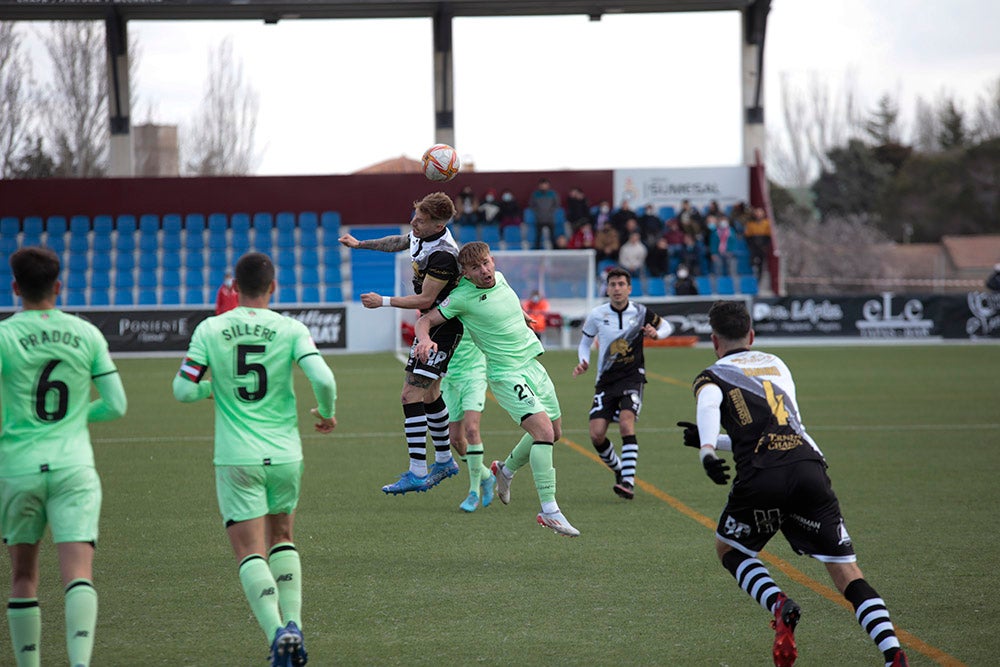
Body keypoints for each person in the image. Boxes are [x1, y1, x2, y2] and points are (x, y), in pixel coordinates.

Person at [679, 300, 909, 667]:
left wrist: (708, 449)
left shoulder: (712, 374)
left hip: (763, 475)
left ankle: (779, 603)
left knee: (730, 549)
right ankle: (893, 654)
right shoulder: (778, 364)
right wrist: (722, 441)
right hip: (808, 467)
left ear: (714, 340)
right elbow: (780, 426)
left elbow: (708, 406)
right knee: (846, 571)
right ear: (751, 335)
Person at [172, 252, 337, 667]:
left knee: (250, 551)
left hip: (236, 457)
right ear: (273, 286)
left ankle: (276, 633)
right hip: (284, 454)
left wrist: (216, 390)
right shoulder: (290, 327)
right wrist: (327, 412)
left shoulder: (211, 329)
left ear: (234, 289)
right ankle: (295, 624)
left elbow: (182, 389)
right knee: (283, 536)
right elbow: (323, 378)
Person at [0, 247, 128, 667]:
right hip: (74, 466)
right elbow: (116, 404)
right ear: (58, 287)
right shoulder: (87, 334)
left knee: (22, 577)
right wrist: (73, 417)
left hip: (17, 468)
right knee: (78, 575)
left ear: (15, 287)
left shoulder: (4, 335)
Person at [413, 242, 579, 537]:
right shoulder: (461, 297)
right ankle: (549, 510)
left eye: (487, 263)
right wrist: (424, 339)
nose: (485, 271)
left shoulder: (499, 277)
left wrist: (523, 316)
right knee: (542, 434)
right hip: (506, 374)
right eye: (476, 268)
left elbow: (506, 302)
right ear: (465, 273)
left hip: (532, 365)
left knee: (555, 432)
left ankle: (505, 470)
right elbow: (425, 319)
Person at [339, 192, 462, 495]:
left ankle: (418, 472)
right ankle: (445, 461)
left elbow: (426, 299)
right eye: (415, 216)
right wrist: (360, 245)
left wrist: (381, 301)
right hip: (431, 323)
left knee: (410, 395)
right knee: (430, 394)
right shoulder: (423, 235)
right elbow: (400, 241)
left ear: (437, 225)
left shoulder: (445, 255)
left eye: (420, 220)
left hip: (442, 327)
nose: (413, 223)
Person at [573, 267, 672, 499]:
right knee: (596, 435)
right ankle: (619, 470)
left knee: (627, 424)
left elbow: (667, 326)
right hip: (605, 381)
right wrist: (583, 361)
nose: (617, 289)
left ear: (629, 288)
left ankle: (628, 482)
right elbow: (584, 343)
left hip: (632, 378)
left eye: (621, 284)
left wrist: (657, 334)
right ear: (607, 289)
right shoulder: (597, 314)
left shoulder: (641, 312)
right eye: (612, 285)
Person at [440, 336, 497, 513]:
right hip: (448, 379)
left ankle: (473, 493)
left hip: (473, 376)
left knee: (472, 429)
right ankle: (487, 476)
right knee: (455, 439)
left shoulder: (476, 308)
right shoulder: (444, 308)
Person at [528, 178, 560, 250]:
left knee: (552, 236)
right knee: (538, 236)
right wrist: (538, 212)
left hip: (550, 219)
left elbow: (556, 204)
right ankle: (537, 251)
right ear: (539, 185)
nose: (544, 186)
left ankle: (555, 251)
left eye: (545, 184)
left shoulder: (552, 194)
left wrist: (551, 212)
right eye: (542, 185)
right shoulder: (535, 194)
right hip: (539, 219)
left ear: (548, 185)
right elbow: (532, 205)